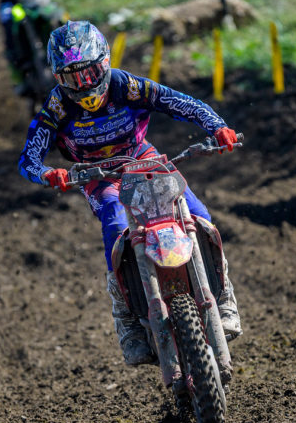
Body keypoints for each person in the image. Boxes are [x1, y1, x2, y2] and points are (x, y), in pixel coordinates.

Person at [17, 20, 242, 365]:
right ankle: (127, 321)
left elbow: (179, 101)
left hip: (142, 158)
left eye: (90, 73)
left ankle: (224, 298)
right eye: (72, 78)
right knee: (114, 222)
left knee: (199, 215)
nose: (84, 84)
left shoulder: (128, 86)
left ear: (105, 62)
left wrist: (217, 126)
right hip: (96, 174)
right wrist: (49, 173)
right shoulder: (57, 106)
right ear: (58, 78)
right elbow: (28, 159)